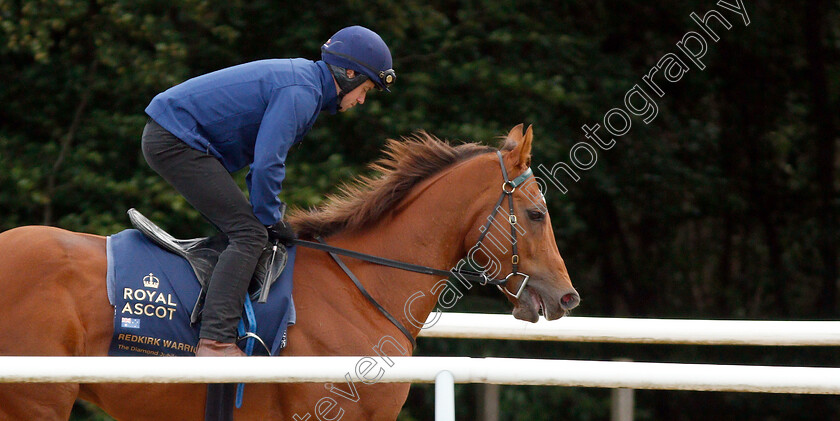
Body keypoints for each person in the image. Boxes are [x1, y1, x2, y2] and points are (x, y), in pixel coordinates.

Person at [141, 26, 395, 357]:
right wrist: (271, 218)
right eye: (364, 89)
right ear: (348, 74)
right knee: (249, 234)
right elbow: (266, 165)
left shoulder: (307, 85)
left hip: (177, 136)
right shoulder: (302, 93)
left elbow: (262, 167)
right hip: (174, 140)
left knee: (250, 227)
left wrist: (269, 216)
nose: (361, 99)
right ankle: (216, 341)